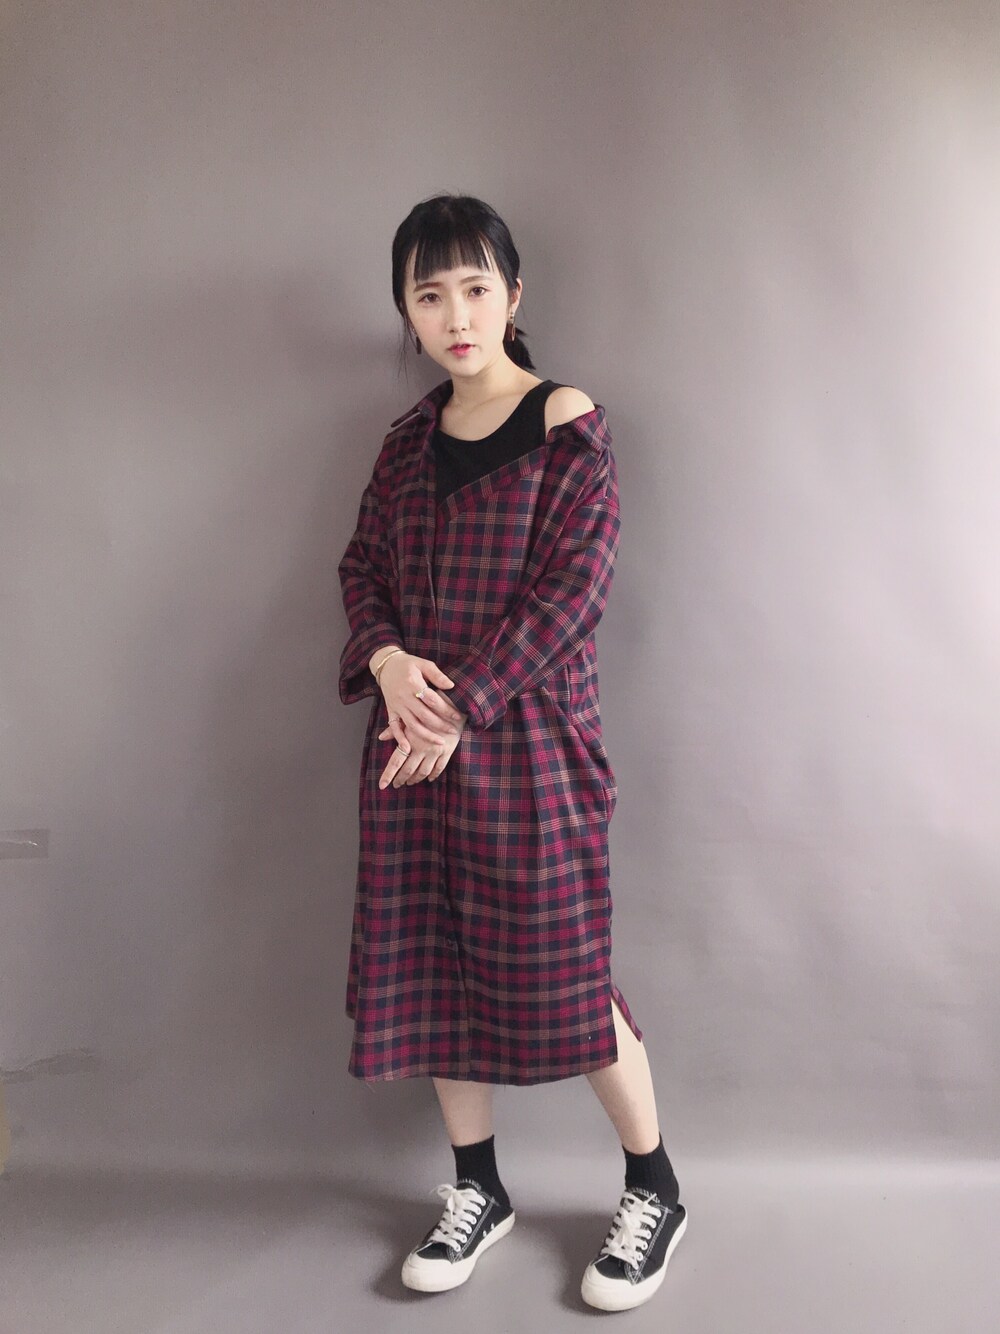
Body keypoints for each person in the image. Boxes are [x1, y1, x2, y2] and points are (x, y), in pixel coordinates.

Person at [337, 193, 686, 1312]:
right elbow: (362, 569)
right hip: (409, 747)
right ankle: (477, 1186)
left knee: (569, 971)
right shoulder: (405, 445)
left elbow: (573, 591)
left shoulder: (563, 422)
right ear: (405, 309)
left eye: (475, 288)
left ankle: (655, 1186)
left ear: (513, 295)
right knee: (434, 965)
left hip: (528, 748)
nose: (455, 315)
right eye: (429, 293)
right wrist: (388, 660)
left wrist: (462, 707)